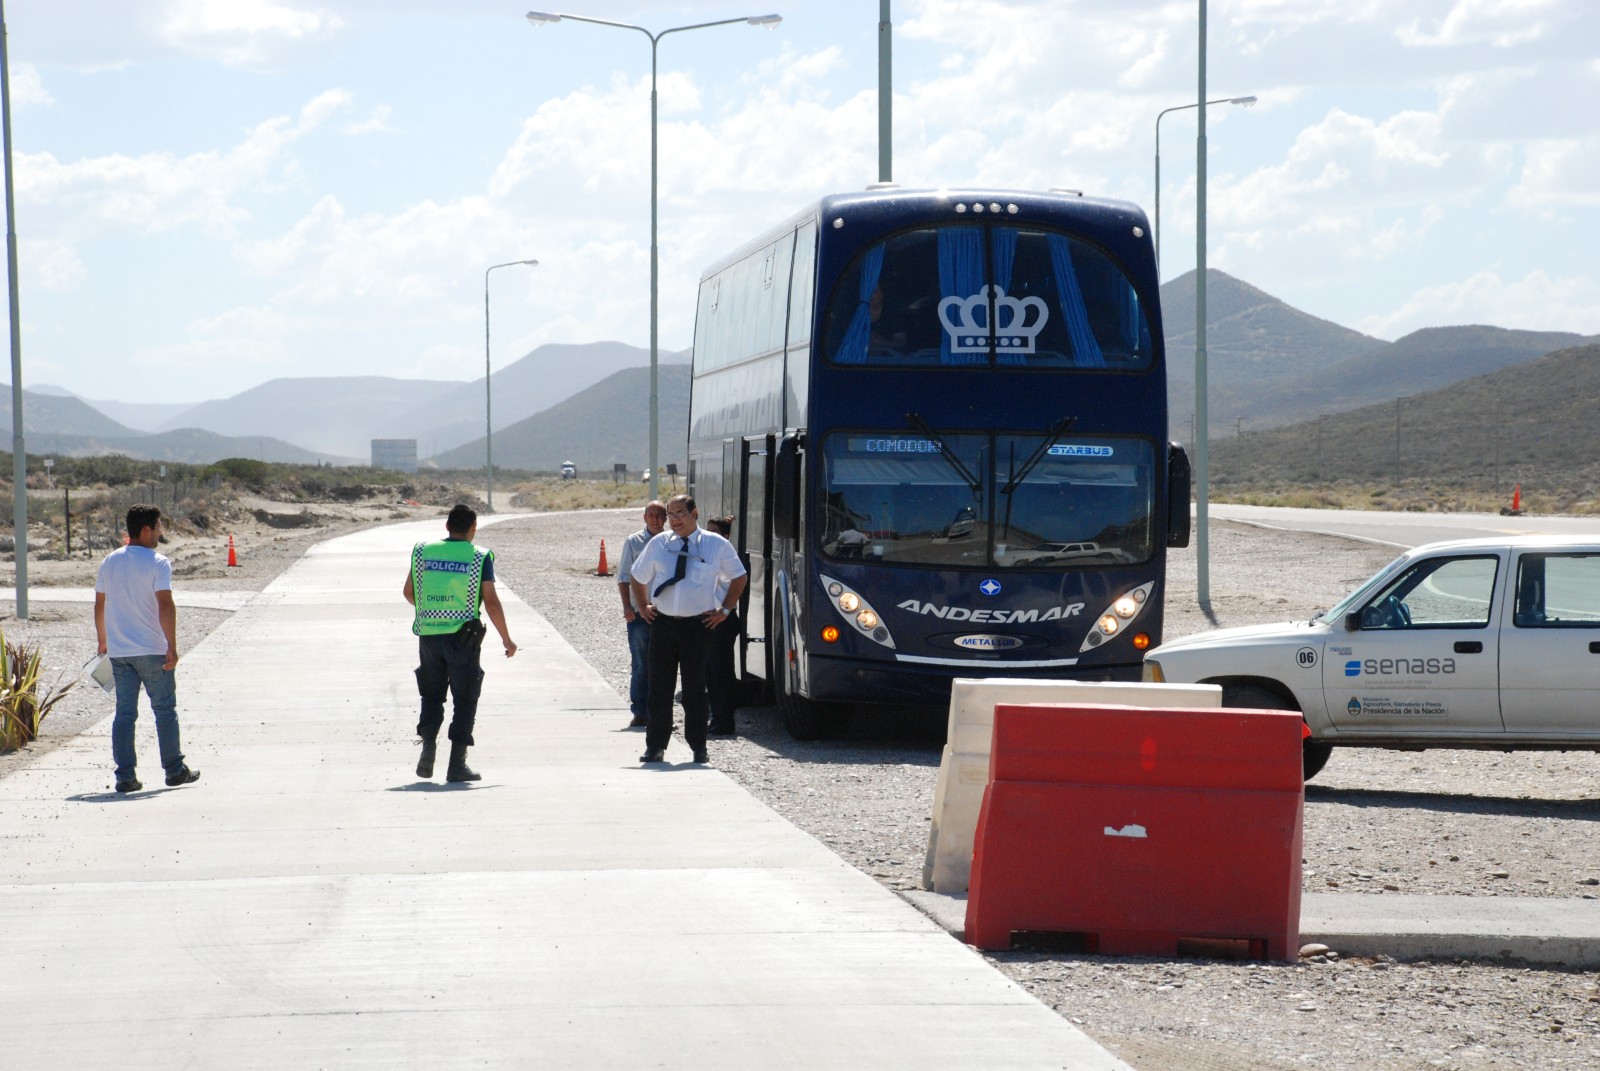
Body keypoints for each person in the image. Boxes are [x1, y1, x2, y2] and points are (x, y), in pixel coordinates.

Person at [627, 494, 746, 764]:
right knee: (659, 688)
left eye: (680, 513)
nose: (674, 520)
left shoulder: (715, 545)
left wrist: (724, 610)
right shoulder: (659, 544)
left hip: (698, 625)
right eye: (671, 514)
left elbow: (739, 577)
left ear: (695, 513)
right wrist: (643, 605)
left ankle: (698, 746)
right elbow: (637, 575)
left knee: (695, 689)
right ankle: (655, 745)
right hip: (664, 622)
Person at [402, 504, 517, 782]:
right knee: (465, 698)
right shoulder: (478, 556)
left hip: (429, 636)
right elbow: (490, 600)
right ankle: (457, 764)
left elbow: (408, 592)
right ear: (473, 528)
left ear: (447, 526)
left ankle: (428, 749)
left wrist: (432, 610)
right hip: (463, 638)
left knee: (431, 696)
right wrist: (506, 638)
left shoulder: (423, 551)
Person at [94, 503, 199, 794]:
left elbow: (100, 605)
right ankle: (174, 771)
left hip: (120, 652)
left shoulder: (109, 562)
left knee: (125, 714)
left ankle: (125, 776)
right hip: (152, 649)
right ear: (146, 530)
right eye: (158, 526)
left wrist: (103, 642)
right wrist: (172, 646)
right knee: (164, 710)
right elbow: (165, 604)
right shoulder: (158, 562)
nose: (160, 533)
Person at [615, 500, 667, 728]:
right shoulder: (634, 542)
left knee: (664, 667)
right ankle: (640, 711)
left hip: (666, 614)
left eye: (660, 516)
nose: (656, 520)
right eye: (651, 515)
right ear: (644, 517)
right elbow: (624, 576)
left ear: (665, 518)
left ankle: (660, 714)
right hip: (639, 615)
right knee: (640, 664)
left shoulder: (672, 542)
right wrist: (627, 606)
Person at [702, 515, 743, 736]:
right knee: (710, 674)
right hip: (710, 620)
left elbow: (738, 582)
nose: (709, 535)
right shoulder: (710, 554)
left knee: (721, 674)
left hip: (722, 621)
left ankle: (725, 721)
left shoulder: (726, 556)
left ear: (725, 536)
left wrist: (724, 611)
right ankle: (717, 718)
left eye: (714, 532)